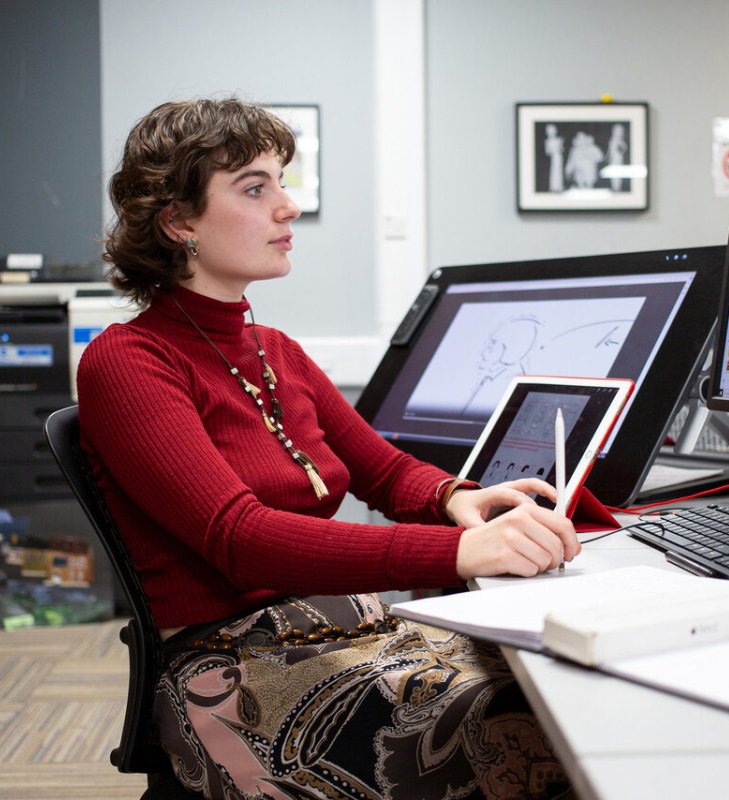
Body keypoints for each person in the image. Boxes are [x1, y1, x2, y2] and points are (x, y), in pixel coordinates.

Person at [77, 97, 580, 800]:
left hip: (335, 634)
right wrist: (460, 551)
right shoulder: (128, 362)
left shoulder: (273, 349)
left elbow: (382, 469)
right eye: (256, 188)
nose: (289, 208)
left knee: (558, 675)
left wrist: (457, 498)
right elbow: (240, 540)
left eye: (282, 182)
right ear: (178, 221)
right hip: (234, 675)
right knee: (540, 722)